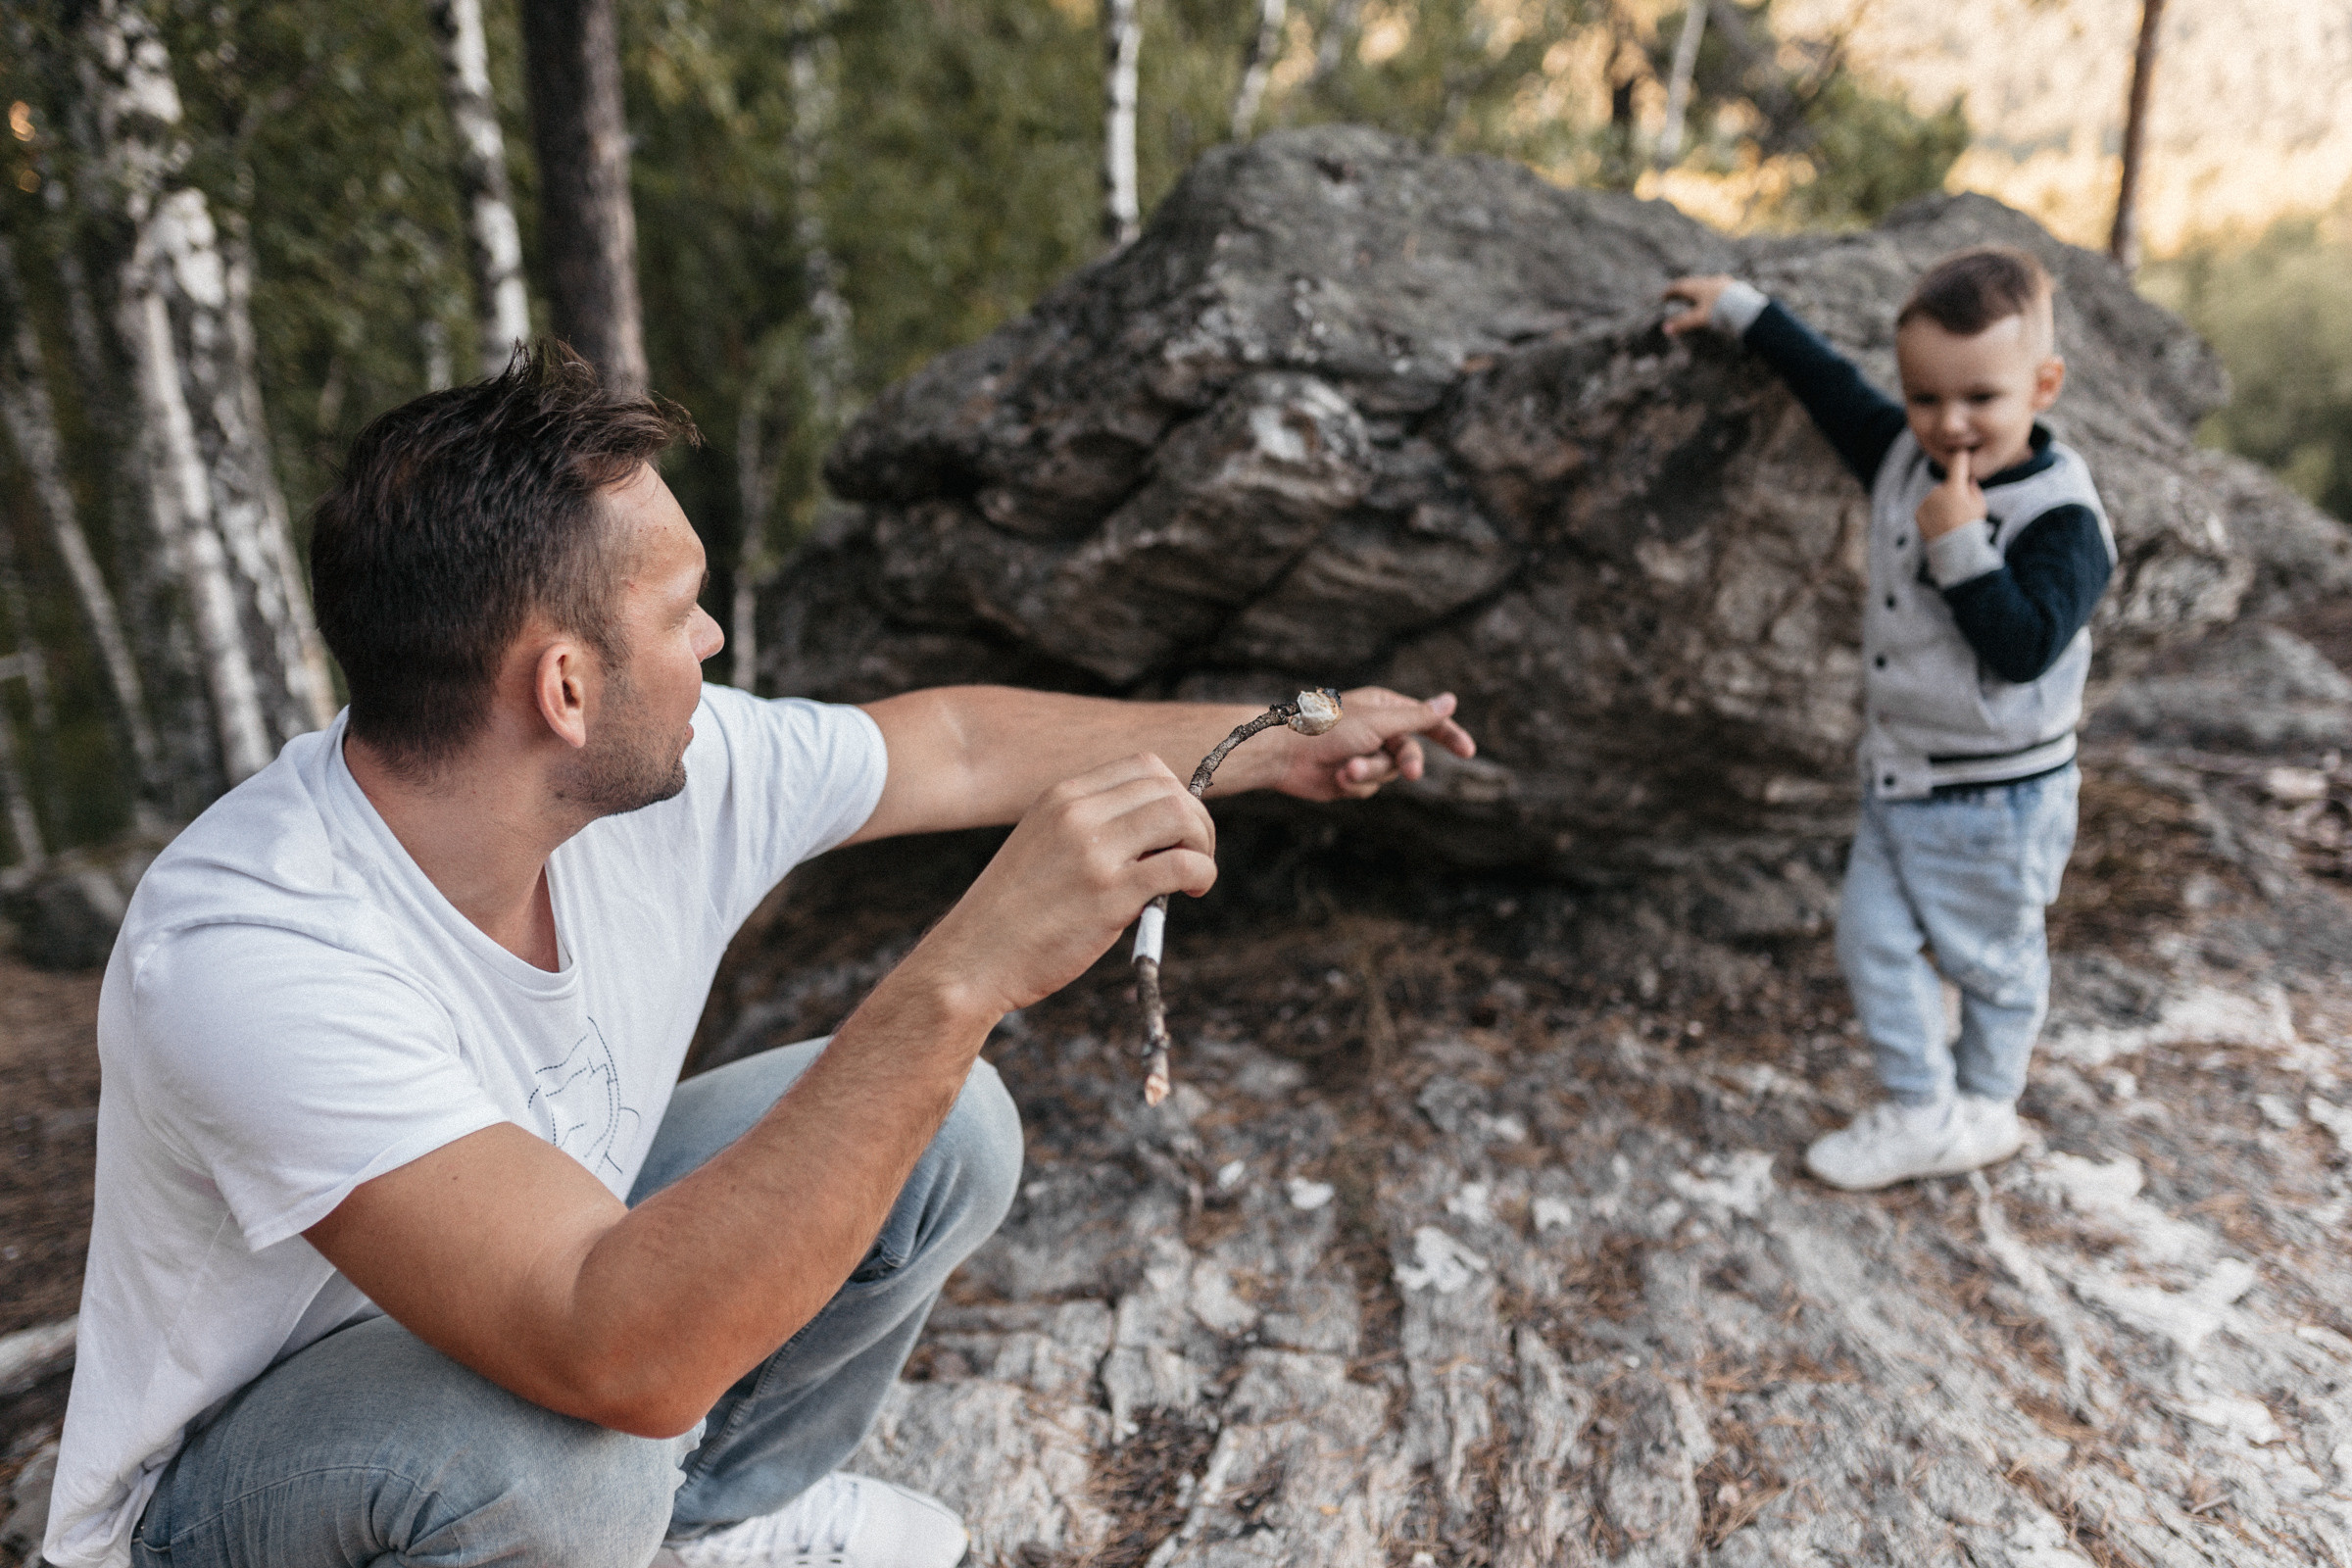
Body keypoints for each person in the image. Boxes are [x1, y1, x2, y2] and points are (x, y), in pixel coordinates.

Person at [43, 344, 1478, 1568]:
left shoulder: (642, 766)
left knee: (946, 1136)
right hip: (247, 1491)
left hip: (541, 1310)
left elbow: (954, 742)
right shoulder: (248, 953)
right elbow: (615, 1354)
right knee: (580, 1458)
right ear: (562, 684)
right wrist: (965, 971)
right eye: (683, 612)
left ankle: (710, 1524)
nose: (718, 641)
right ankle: (632, 1515)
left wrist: (1283, 737)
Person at [1662, 247, 2114, 1192]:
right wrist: (1745, 308)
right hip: (1900, 775)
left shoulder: (2062, 519)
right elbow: (1833, 389)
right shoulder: (1907, 454)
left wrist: (1962, 550)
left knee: (1993, 961)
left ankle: (1985, 1106)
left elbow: (2024, 645)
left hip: (1998, 796)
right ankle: (1921, 1108)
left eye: (1981, 399)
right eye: (1924, 398)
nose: (1949, 425)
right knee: (1869, 939)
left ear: (2044, 384)